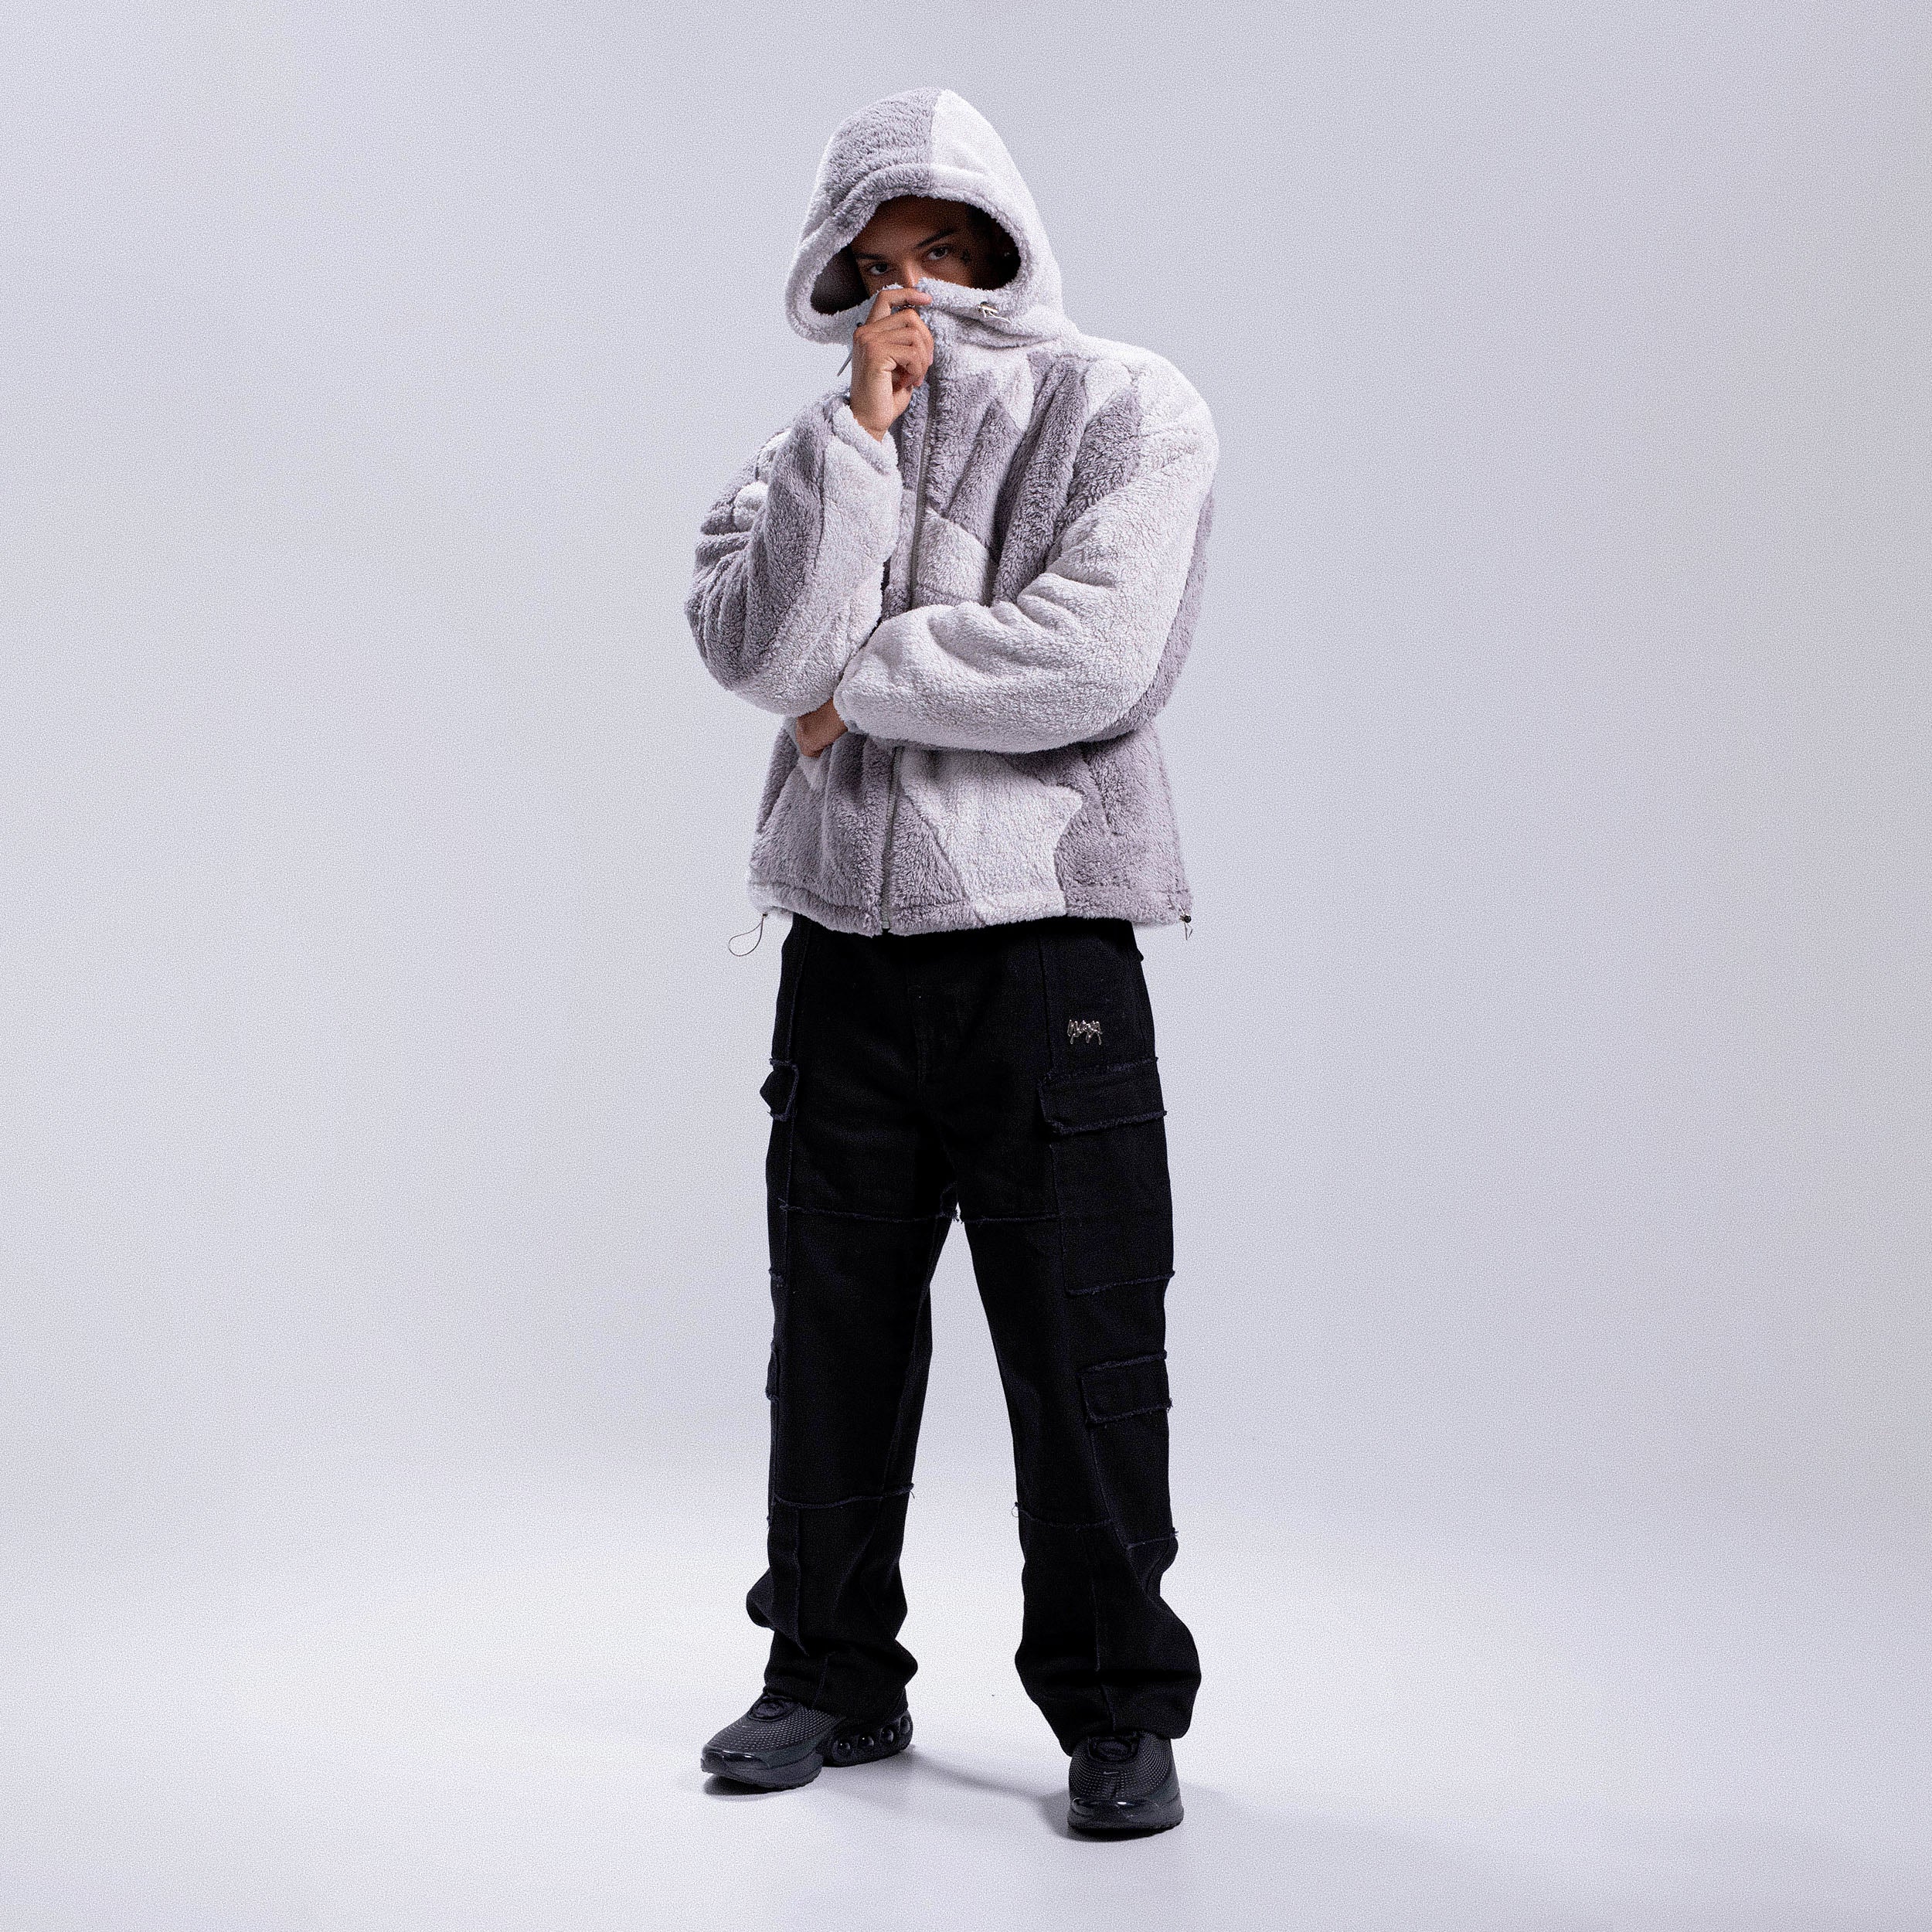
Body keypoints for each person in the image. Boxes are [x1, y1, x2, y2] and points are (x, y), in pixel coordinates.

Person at [683, 86, 1216, 1837]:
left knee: (1083, 1345)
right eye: (875, 262)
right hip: (843, 953)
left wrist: (859, 687)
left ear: (1000, 241)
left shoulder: (1126, 406)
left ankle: (1117, 1710)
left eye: (940, 248)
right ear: (837, 279)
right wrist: (857, 442)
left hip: (1044, 957)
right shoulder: (805, 452)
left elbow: (1094, 660)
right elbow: (751, 649)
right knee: (829, 1340)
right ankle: (825, 1672)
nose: (909, 288)